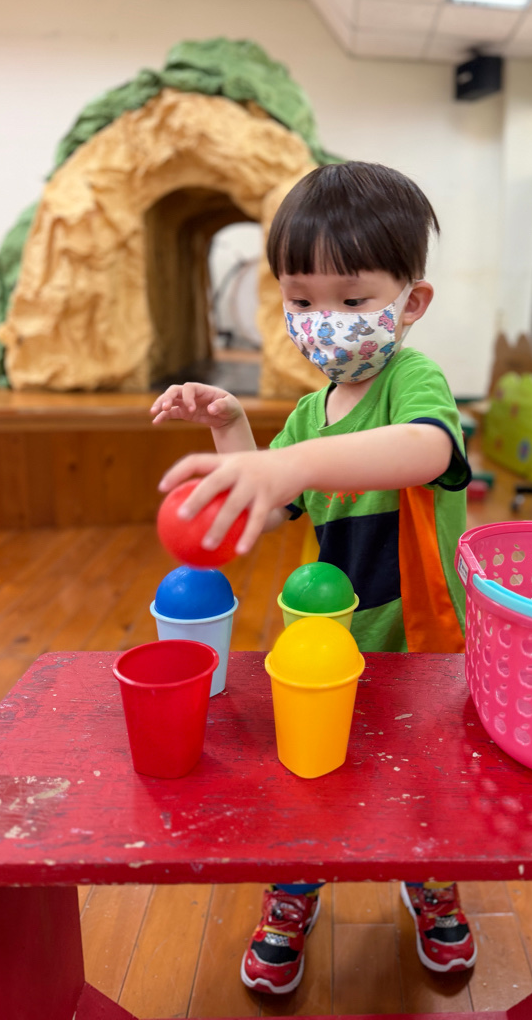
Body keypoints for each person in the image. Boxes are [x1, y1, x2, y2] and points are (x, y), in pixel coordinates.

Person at [151, 161, 476, 994]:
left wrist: (289, 465)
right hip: (325, 640)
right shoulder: (305, 415)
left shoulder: (412, 381)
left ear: (411, 302)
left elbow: (427, 450)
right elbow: (268, 512)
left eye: (353, 299)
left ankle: (431, 882)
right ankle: (293, 891)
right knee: (310, 775)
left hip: (418, 641)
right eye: (301, 299)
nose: (324, 321)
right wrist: (234, 433)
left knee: (424, 778)